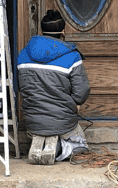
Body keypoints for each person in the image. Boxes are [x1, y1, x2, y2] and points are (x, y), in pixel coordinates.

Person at [17, 10, 91, 162]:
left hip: (32, 121)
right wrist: (76, 104)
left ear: (41, 31)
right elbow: (81, 91)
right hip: (63, 122)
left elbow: (20, 87)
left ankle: (39, 142)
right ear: (63, 31)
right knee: (81, 147)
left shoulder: (23, 55)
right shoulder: (72, 56)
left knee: (41, 128)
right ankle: (58, 148)